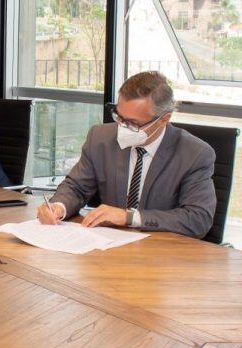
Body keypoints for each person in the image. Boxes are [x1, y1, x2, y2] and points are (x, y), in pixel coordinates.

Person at [37, 71, 216, 238]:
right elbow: (76, 187)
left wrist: (129, 217)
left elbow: (198, 218)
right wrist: (58, 207)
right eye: (119, 117)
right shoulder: (100, 138)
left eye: (133, 123)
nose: (122, 127)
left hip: (163, 254)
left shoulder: (195, 154)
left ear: (164, 119)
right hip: (106, 246)